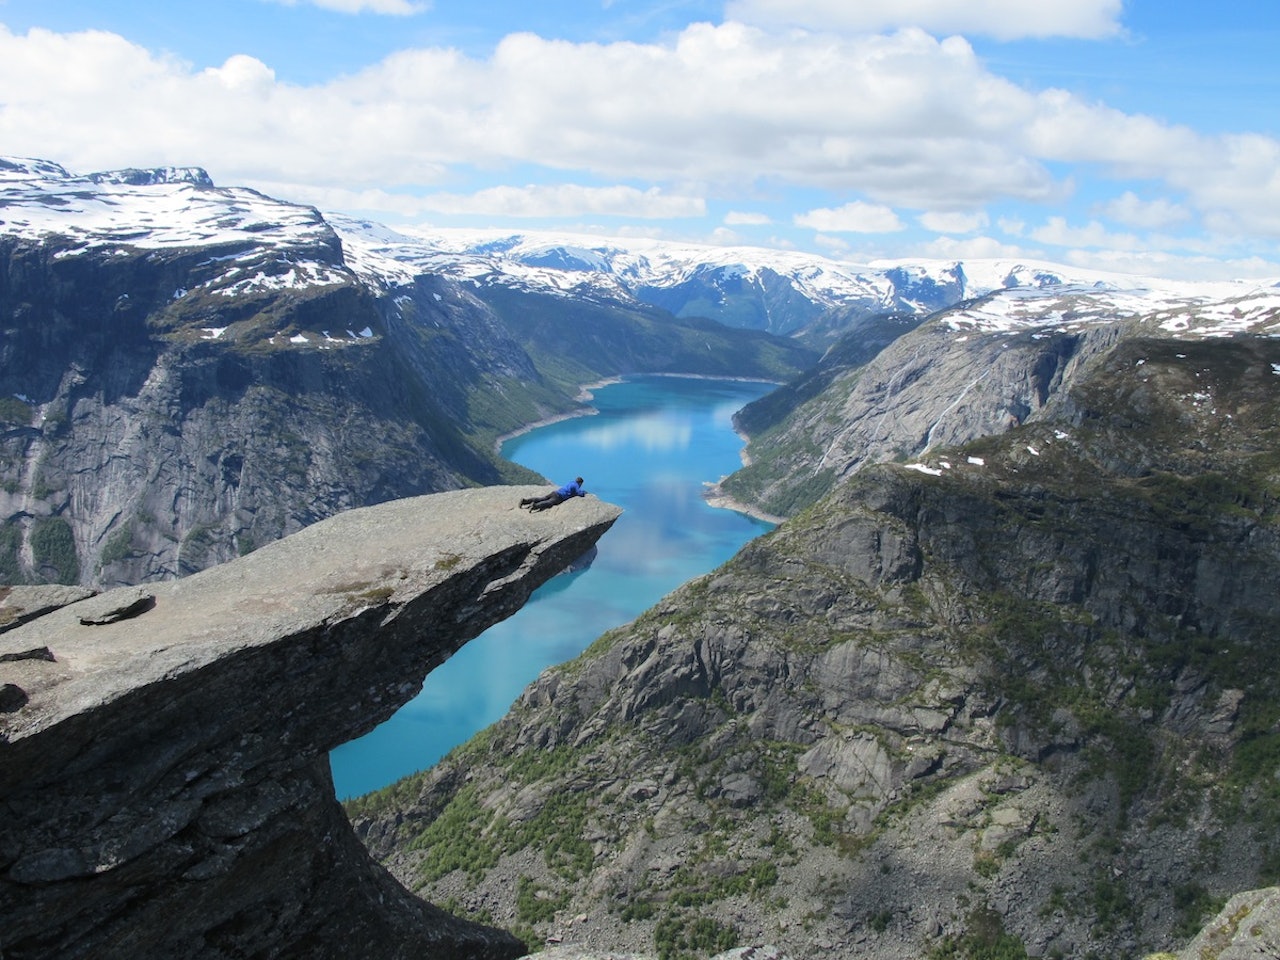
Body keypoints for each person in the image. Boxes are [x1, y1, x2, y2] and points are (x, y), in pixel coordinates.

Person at [520, 477, 586, 512]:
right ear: (580, 483)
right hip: (559, 497)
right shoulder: (576, 485)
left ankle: (525, 501)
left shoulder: (571, 482)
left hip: (555, 492)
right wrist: (584, 493)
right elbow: (579, 493)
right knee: (549, 503)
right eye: (581, 484)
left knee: (542, 498)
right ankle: (535, 506)